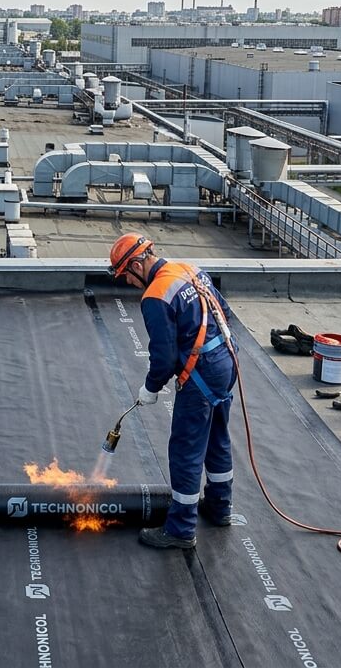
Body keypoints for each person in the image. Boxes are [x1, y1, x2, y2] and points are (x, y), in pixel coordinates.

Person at [109, 233, 238, 550]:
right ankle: (220, 508)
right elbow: (224, 312)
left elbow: (164, 357)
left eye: (126, 273)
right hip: (226, 361)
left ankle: (181, 529)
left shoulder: (155, 296)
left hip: (202, 373)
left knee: (185, 449)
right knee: (217, 437)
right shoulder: (188, 269)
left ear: (138, 262)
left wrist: (151, 387)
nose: (127, 281)